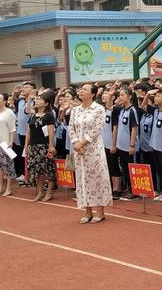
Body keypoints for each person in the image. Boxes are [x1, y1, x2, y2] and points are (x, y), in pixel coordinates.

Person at [69, 84, 112, 224]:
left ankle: (100, 212)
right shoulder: (75, 110)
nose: (81, 91)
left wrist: (83, 143)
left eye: (85, 90)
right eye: (80, 89)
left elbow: (97, 129)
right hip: (79, 151)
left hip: (93, 150)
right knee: (82, 180)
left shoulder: (98, 109)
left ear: (93, 94)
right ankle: (87, 212)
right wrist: (76, 143)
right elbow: (71, 128)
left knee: (97, 179)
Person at [24, 91, 57, 202]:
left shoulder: (49, 116)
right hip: (33, 147)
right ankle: (40, 192)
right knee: (36, 171)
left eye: (40, 100)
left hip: (44, 146)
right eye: (36, 99)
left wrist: (51, 146)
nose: (37, 101)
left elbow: (51, 133)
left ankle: (49, 192)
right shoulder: (33, 115)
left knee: (48, 169)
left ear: (46, 103)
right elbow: (28, 132)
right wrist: (26, 146)